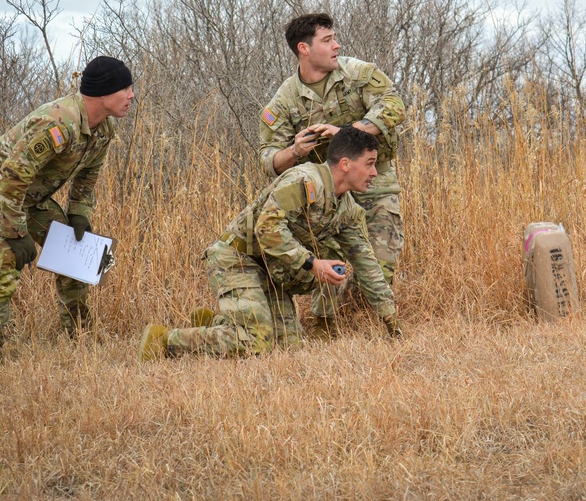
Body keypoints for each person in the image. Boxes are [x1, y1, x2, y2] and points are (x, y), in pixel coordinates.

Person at [138, 126, 401, 361]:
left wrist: (391, 322)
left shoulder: (348, 210)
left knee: (289, 349)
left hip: (270, 271)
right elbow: (267, 227)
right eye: (369, 164)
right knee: (257, 342)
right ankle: (164, 341)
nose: (374, 173)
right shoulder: (304, 181)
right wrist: (312, 264)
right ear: (345, 164)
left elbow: (367, 266)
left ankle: (221, 325)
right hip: (238, 259)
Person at [0, 56, 135, 360]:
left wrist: (79, 213)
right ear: (103, 93)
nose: (131, 96)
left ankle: (78, 336)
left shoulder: (106, 127)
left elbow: (89, 174)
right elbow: (11, 175)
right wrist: (14, 231)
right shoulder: (58, 122)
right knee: (6, 257)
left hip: (27, 195)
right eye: (125, 89)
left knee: (74, 251)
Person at [258, 13, 406, 337]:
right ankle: (326, 325)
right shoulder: (284, 101)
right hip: (326, 193)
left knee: (380, 259)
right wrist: (295, 150)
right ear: (304, 49)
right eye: (327, 40)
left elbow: (394, 105)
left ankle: (362, 320)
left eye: (334, 38)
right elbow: (268, 160)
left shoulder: (358, 74)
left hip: (374, 183)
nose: (337, 45)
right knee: (328, 257)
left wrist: (349, 133)